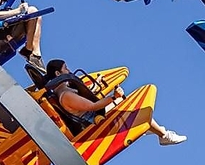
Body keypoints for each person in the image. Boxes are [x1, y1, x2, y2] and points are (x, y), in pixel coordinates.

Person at [40, 60, 187, 146]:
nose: (69, 70)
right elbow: (92, 106)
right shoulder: (66, 96)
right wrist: (114, 97)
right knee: (135, 108)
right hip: (96, 122)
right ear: (58, 74)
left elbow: (85, 100)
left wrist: (96, 87)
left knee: (129, 106)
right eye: (66, 68)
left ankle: (155, 130)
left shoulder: (65, 91)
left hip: (94, 115)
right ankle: (163, 135)